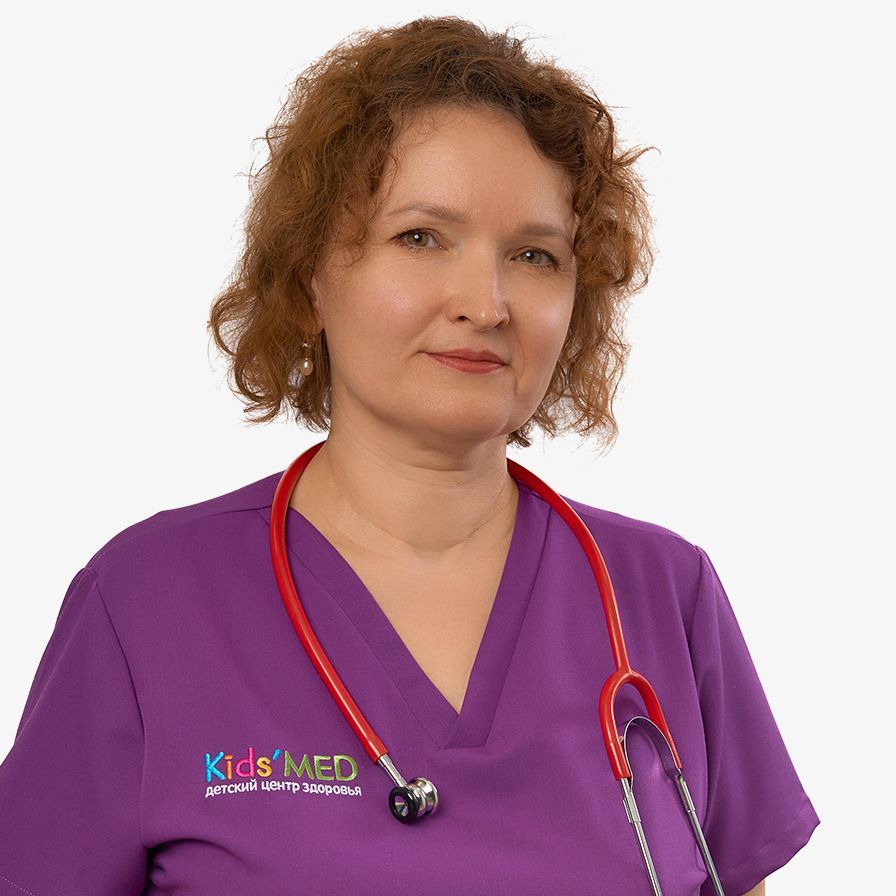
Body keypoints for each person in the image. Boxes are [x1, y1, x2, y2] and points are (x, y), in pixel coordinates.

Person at [0, 15, 818, 896]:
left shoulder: (666, 594)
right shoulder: (144, 604)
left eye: (535, 255)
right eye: (421, 237)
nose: (486, 302)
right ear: (310, 276)